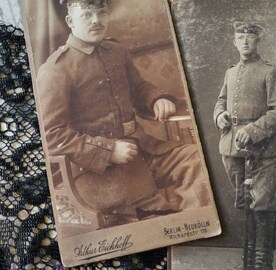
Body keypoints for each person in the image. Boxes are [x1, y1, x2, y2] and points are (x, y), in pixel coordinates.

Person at [37, 0, 208, 228]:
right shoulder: (57, 68)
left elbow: (139, 89)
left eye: (101, 12)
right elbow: (52, 135)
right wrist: (108, 151)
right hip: (100, 172)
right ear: (70, 21)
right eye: (87, 14)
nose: (96, 20)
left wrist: (156, 99)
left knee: (199, 160)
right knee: (167, 206)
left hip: (144, 149)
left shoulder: (116, 50)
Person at [213, 22, 276, 270]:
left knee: (262, 204)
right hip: (233, 149)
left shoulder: (271, 72)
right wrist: (219, 116)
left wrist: (253, 130)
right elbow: (220, 102)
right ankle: (247, 263)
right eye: (240, 38)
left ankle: (261, 263)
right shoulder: (230, 72)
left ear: (257, 41)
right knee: (245, 204)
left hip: (264, 151)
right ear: (234, 42)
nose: (244, 42)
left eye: (249, 38)